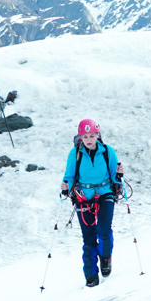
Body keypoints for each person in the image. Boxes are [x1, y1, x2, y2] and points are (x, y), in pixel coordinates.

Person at [60, 118, 121, 287]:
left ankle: (105, 257)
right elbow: (70, 175)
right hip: (82, 196)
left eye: (92, 135)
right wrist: (66, 186)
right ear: (80, 137)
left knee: (103, 229)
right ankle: (91, 276)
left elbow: (115, 175)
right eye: (85, 136)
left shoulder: (108, 151)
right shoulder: (75, 154)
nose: (89, 139)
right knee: (88, 237)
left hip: (105, 193)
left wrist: (120, 175)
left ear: (97, 135)